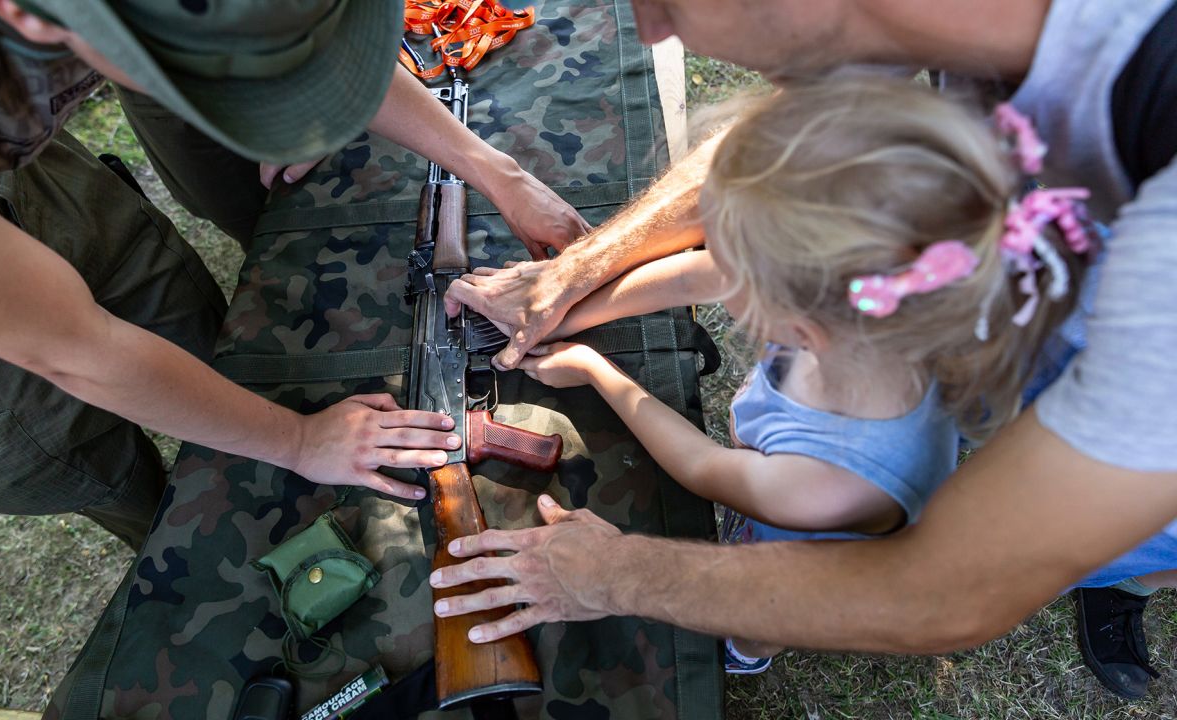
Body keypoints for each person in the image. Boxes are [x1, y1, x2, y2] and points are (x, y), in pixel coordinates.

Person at [434, 0, 1177, 701]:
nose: (652, 28)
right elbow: (768, 205)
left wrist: (611, 570)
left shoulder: (822, 487)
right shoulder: (892, 299)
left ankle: (1130, 570)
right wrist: (575, 289)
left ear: (800, 326)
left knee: (1141, 534)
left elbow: (942, 592)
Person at [0, 0, 587, 549]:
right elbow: (70, 348)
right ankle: (169, 542)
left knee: (205, 335)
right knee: (52, 442)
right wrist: (297, 439)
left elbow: (310, 36)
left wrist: (501, 173)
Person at [517, 78, 1092, 674]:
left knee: (761, 601)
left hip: (800, 539)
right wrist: (569, 310)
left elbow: (705, 468)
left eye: (734, 263)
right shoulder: (872, 306)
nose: (716, 264)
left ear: (798, 325)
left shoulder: (826, 486)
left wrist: (596, 370)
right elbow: (695, 277)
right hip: (779, 470)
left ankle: (749, 650)